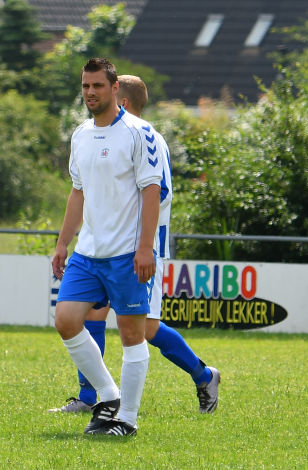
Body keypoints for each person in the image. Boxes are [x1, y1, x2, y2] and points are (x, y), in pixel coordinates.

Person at [50, 75, 220, 417]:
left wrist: (143, 247)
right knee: (89, 314)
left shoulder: (147, 137)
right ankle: (93, 395)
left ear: (121, 102)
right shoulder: (97, 136)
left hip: (141, 250)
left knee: (146, 328)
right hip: (103, 250)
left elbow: (158, 194)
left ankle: (204, 376)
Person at [52, 58, 165, 436]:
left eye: (97, 86)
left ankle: (127, 421)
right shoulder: (81, 135)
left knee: (132, 335)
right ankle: (107, 395)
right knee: (66, 320)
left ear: (115, 88)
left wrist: (145, 248)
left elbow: (152, 192)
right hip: (88, 254)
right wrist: (62, 243)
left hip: (126, 255)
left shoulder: (139, 133)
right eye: (85, 86)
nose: (90, 93)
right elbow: (77, 192)